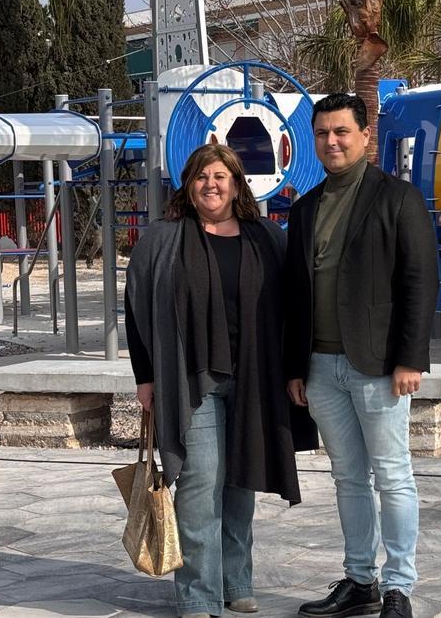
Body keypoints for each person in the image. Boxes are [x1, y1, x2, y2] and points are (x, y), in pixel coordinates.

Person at [125, 143, 317, 618]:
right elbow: (136, 309)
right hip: (193, 381)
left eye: (220, 176)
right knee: (199, 483)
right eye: (201, 177)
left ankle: (237, 581)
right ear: (188, 186)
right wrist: (145, 377)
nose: (211, 185)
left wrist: (297, 369)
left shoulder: (266, 237)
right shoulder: (164, 239)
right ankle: (198, 594)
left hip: (256, 378)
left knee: (241, 482)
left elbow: (295, 308)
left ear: (236, 184)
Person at [284, 94, 439, 618]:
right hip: (321, 367)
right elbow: (293, 293)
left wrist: (410, 358)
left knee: (393, 475)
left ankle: (398, 586)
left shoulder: (398, 199)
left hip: (377, 367)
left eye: (342, 132)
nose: (332, 141)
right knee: (348, 477)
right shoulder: (305, 207)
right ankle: (359, 581)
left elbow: (419, 281)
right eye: (323, 133)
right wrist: (294, 366)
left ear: (365, 135)